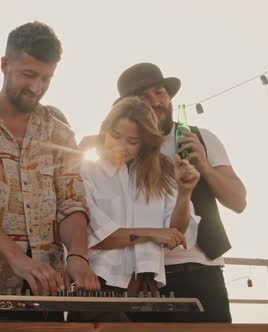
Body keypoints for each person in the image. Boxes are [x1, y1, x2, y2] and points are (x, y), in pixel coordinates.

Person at [0, 21, 100, 320]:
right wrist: (18, 260)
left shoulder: (61, 134)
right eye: (29, 75)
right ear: (5, 64)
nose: (37, 87)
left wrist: (78, 256)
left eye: (46, 78)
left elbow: (71, 203)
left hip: (45, 295)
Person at [115, 63, 247, 322]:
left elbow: (238, 201)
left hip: (204, 271)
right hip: (145, 276)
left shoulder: (201, 137)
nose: (156, 102)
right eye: (143, 97)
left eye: (160, 92)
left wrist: (206, 168)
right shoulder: (121, 147)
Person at [75, 96, 200, 321]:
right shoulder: (87, 171)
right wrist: (152, 233)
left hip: (147, 288)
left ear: (145, 142)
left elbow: (175, 233)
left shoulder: (161, 172)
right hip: (97, 287)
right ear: (104, 131)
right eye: (115, 135)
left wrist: (184, 193)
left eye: (132, 141)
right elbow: (93, 236)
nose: (120, 146)